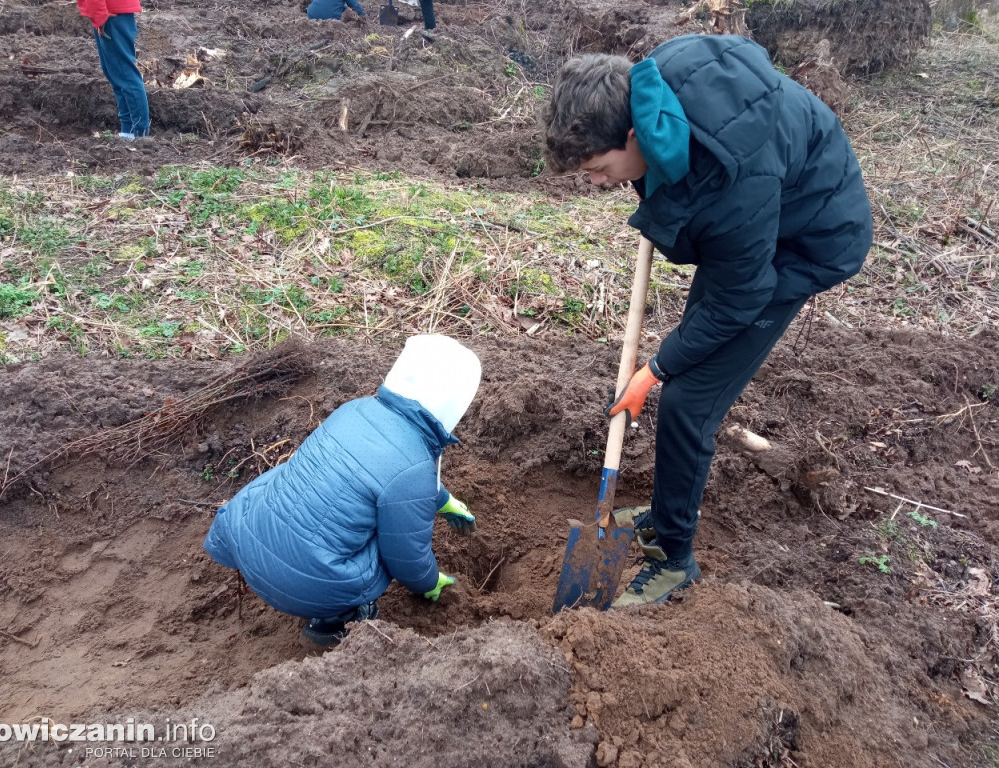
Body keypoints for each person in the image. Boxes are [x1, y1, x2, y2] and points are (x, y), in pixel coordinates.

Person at [543, 34, 872, 607]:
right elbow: (692, 195)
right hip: (759, 223)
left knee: (689, 400)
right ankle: (666, 507)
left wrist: (655, 369)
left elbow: (742, 295)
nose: (594, 183)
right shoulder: (653, 91)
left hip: (806, 242)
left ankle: (675, 558)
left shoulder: (732, 187)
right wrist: (647, 182)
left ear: (631, 134)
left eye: (598, 169)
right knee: (691, 360)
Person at [204, 334, 481, 645]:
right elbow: (406, 556)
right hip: (306, 587)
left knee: (298, 475)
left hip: (245, 538)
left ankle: (279, 568)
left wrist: (440, 499)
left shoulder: (355, 409)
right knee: (390, 536)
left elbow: (379, 471)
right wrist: (428, 582)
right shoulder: (415, 468)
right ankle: (336, 621)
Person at [77, 0, 150, 139]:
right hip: (111, 12)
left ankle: (140, 136)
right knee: (115, 75)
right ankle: (128, 131)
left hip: (112, 14)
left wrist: (100, 15)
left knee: (126, 75)